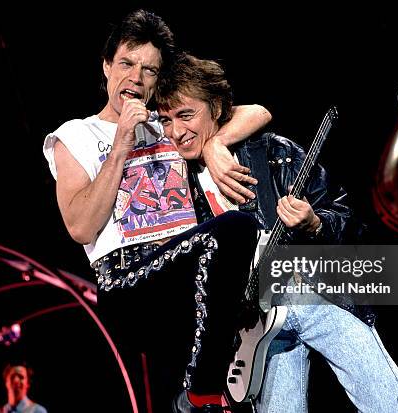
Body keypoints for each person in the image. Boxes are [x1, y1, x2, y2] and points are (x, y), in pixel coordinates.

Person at [155, 53, 398, 413]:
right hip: (259, 330)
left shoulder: (275, 153)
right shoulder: (175, 186)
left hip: (318, 293)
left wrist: (314, 223)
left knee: (387, 404)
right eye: (166, 120)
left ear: (216, 108)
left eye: (185, 115)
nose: (176, 132)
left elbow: (349, 220)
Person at [42, 9, 271, 413]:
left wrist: (216, 145)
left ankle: (201, 397)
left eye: (149, 70)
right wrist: (122, 141)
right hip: (130, 280)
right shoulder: (74, 135)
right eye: (127, 63)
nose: (136, 77)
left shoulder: (167, 123)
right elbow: (80, 226)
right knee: (235, 228)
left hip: (190, 274)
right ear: (106, 65)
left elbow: (258, 111)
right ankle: (203, 392)